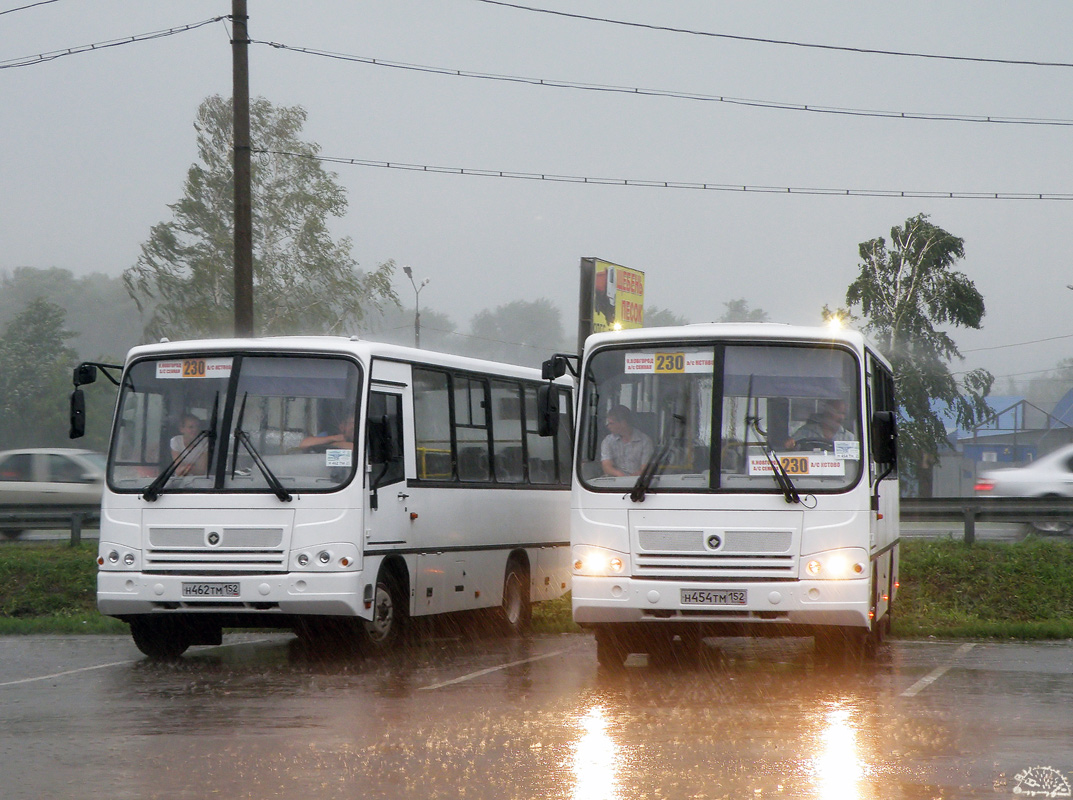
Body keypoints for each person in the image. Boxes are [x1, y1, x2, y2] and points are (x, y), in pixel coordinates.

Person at [600, 405, 654, 476]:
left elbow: (645, 469)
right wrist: (621, 476)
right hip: (613, 483)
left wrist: (630, 480)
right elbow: (607, 467)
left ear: (623, 423)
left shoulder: (645, 441)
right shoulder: (607, 441)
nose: (608, 426)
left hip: (638, 482)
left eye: (611, 423)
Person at [786, 398, 852, 451]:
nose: (841, 417)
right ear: (827, 412)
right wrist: (790, 445)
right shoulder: (806, 432)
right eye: (838, 412)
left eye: (843, 413)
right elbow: (790, 447)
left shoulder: (849, 438)